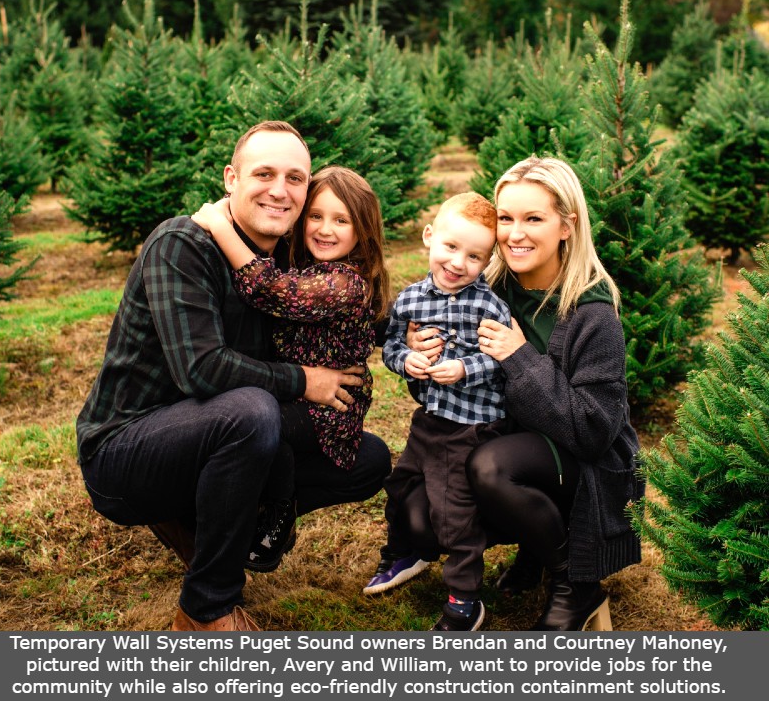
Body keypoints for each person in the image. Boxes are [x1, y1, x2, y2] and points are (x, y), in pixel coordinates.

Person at [75, 121, 391, 632]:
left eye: (295, 179)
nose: (279, 190)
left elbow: (350, 306)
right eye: (263, 173)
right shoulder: (184, 244)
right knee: (252, 411)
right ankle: (206, 609)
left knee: (366, 459)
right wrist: (303, 380)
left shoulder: (282, 262)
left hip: (213, 435)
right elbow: (202, 370)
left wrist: (419, 331)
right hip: (126, 450)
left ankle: (218, 521)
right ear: (231, 178)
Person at [399, 156, 642, 631]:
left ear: (566, 226)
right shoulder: (486, 290)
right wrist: (420, 359)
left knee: (491, 467)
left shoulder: (591, 313)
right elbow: (436, 393)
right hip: (508, 442)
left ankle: (576, 585)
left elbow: (593, 431)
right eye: (506, 218)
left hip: (587, 463)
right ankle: (535, 545)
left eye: (534, 219)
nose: (515, 234)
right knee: (416, 519)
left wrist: (520, 356)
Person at [190, 165, 390, 572]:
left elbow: (274, 292)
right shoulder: (311, 265)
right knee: (255, 423)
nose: (324, 229)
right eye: (315, 216)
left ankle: (280, 514)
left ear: (363, 230)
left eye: (340, 220)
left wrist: (220, 224)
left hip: (328, 407)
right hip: (302, 392)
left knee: (263, 427)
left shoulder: (343, 282)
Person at [363, 192, 511, 631]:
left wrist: (465, 367)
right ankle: (402, 554)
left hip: (470, 427)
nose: (458, 262)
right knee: (399, 484)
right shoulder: (409, 300)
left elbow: (502, 359)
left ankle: (465, 600)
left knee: (453, 512)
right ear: (430, 237)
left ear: (487, 261)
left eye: (474, 255)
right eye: (450, 246)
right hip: (429, 419)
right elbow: (390, 345)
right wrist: (404, 359)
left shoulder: (487, 306)